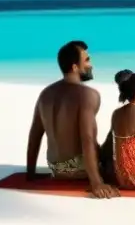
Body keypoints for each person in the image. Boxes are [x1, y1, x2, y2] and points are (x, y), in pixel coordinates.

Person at [26, 40, 119, 199]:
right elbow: (87, 139)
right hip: (80, 170)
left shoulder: (46, 94)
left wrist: (30, 173)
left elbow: (35, 135)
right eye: (87, 60)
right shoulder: (87, 95)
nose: (91, 65)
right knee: (118, 126)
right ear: (75, 67)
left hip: (56, 168)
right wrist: (96, 182)